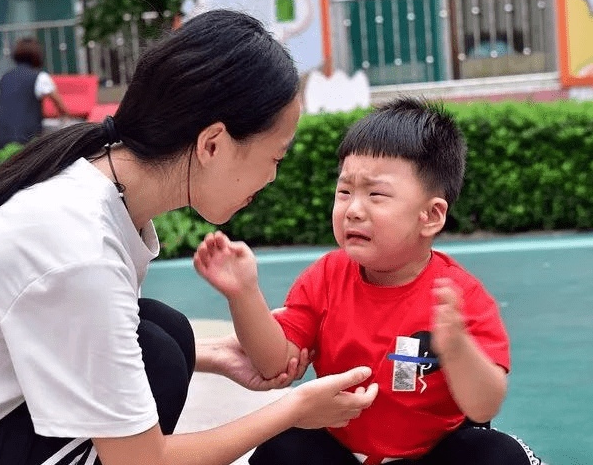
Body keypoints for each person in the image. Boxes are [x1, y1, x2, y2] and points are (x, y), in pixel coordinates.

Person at [0, 10, 378, 465]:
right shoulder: (80, 249)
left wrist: (214, 355)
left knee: (166, 334)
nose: (272, 178)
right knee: (159, 360)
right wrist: (294, 410)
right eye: (275, 158)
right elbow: (141, 461)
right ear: (213, 144)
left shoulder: (86, 179)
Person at [194, 98, 543, 465]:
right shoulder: (324, 278)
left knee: (497, 455)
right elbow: (274, 366)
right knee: (282, 451)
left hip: (434, 452)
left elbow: (485, 404)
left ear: (430, 216)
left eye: (376, 195)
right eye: (345, 192)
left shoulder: (458, 297)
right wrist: (243, 293)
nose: (354, 209)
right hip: (343, 452)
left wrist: (457, 348)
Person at [0, 37, 70, 168]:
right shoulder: (40, 77)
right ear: (38, 55)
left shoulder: (4, 78)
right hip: (22, 148)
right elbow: (61, 107)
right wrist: (65, 117)